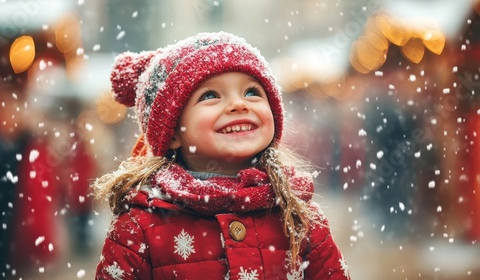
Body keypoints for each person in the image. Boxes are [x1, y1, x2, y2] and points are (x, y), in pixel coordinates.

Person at [93, 32, 350, 280]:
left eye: (252, 92)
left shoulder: (298, 216)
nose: (239, 104)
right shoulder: (139, 227)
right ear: (172, 133)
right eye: (210, 95)